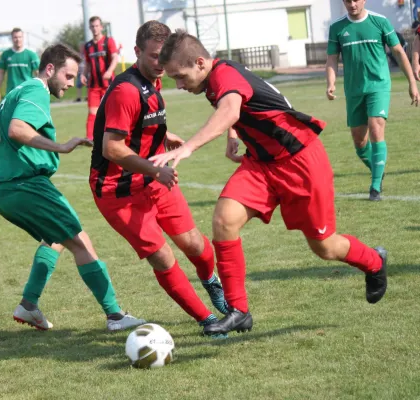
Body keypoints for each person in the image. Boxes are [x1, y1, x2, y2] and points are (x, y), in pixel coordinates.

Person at [151, 30, 388, 336]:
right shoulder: (215, 78)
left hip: (300, 162)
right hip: (262, 165)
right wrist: (234, 135)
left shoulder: (223, 75)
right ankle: (239, 311)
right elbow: (241, 105)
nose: (179, 85)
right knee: (224, 219)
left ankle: (374, 261)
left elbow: (230, 108)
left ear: (199, 63)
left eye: (180, 77)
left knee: (325, 247)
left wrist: (189, 147)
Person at [0, 43, 145, 332]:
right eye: (68, 76)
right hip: (25, 184)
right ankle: (115, 316)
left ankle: (29, 305)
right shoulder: (36, 90)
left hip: (1, 188)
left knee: (57, 238)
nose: (72, 84)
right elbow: (18, 129)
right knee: (81, 241)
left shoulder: (18, 91)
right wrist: (60, 146)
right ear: (50, 69)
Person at [90, 21, 229, 338]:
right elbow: (111, 148)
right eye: (154, 56)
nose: (161, 63)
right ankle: (207, 319)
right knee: (163, 255)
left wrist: (165, 135)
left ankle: (210, 282)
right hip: (118, 193)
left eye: (165, 56)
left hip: (153, 182)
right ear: (137, 52)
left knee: (194, 244)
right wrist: (155, 169)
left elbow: (141, 120)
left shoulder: (153, 82)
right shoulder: (126, 90)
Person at [325, 0, 419, 201]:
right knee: (359, 142)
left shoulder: (380, 21)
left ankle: (375, 187)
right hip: (354, 90)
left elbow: (399, 52)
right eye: (347, 0)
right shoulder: (337, 28)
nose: (352, 4)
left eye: (355, 0)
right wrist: (331, 82)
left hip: (378, 85)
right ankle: (378, 168)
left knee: (376, 127)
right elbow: (332, 58)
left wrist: (412, 82)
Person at [81, 16, 118, 140]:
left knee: (112, 110)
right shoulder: (88, 46)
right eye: (92, 26)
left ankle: (117, 134)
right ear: (90, 28)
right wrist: (83, 74)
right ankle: (90, 138)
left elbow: (115, 58)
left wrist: (109, 71)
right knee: (92, 112)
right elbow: (87, 63)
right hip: (94, 85)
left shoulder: (108, 41)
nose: (95, 28)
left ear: (101, 27)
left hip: (108, 84)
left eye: (97, 26)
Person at [0, 28, 39, 104]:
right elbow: (1, 74)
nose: (18, 39)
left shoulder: (31, 55)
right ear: (11, 38)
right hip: (11, 93)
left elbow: (39, 74)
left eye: (20, 37)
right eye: (15, 37)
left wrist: (39, 90)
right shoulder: (6, 54)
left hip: (27, 92)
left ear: (23, 38)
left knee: (25, 115)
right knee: (11, 115)